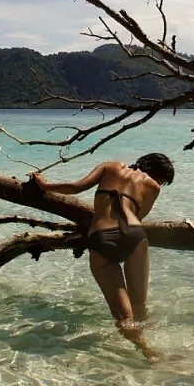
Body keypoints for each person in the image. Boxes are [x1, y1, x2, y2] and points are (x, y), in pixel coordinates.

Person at [31, 152, 175, 359]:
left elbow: (75, 187)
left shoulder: (110, 166)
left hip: (102, 237)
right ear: (155, 172)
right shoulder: (153, 187)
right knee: (139, 303)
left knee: (124, 315)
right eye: (162, 178)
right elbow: (139, 215)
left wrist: (44, 185)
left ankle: (146, 351)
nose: (159, 183)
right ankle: (150, 341)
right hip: (135, 236)